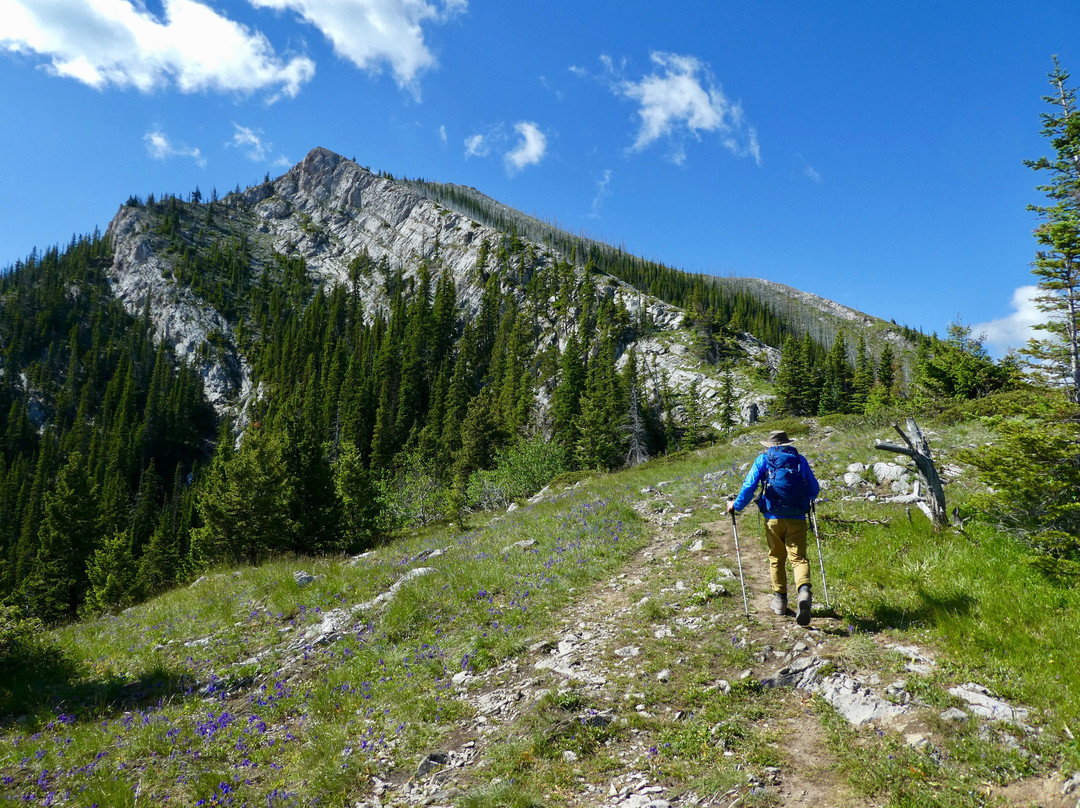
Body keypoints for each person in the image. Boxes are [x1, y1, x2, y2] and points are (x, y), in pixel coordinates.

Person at [727, 429, 820, 626]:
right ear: (787, 443)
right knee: (799, 558)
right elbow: (814, 489)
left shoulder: (763, 460)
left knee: (776, 558)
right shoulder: (799, 460)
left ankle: (780, 601)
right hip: (797, 517)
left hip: (773, 518)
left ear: (769, 445)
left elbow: (750, 485)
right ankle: (803, 592)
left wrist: (735, 506)